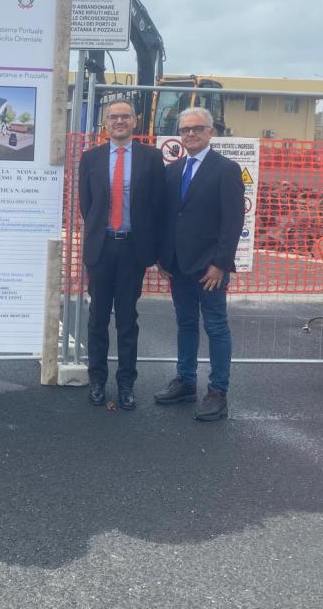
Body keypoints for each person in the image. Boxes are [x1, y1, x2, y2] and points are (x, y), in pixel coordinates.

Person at [155, 107, 245, 421]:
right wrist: (162, 258)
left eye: (197, 128)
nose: (190, 134)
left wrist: (221, 264)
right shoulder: (172, 170)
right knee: (186, 324)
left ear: (210, 132)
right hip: (178, 265)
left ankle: (218, 392)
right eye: (185, 129)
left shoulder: (226, 169)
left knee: (216, 327)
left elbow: (233, 221)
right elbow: (168, 217)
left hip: (210, 269)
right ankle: (185, 382)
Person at [78, 98, 165, 410]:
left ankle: (126, 384)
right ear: (106, 122)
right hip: (101, 248)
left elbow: (157, 205)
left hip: (132, 249)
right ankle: (97, 380)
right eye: (114, 116)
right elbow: (87, 205)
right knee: (97, 318)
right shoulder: (90, 158)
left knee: (128, 320)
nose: (119, 121)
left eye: (125, 116)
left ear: (134, 121)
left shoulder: (151, 158)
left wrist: (156, 250)